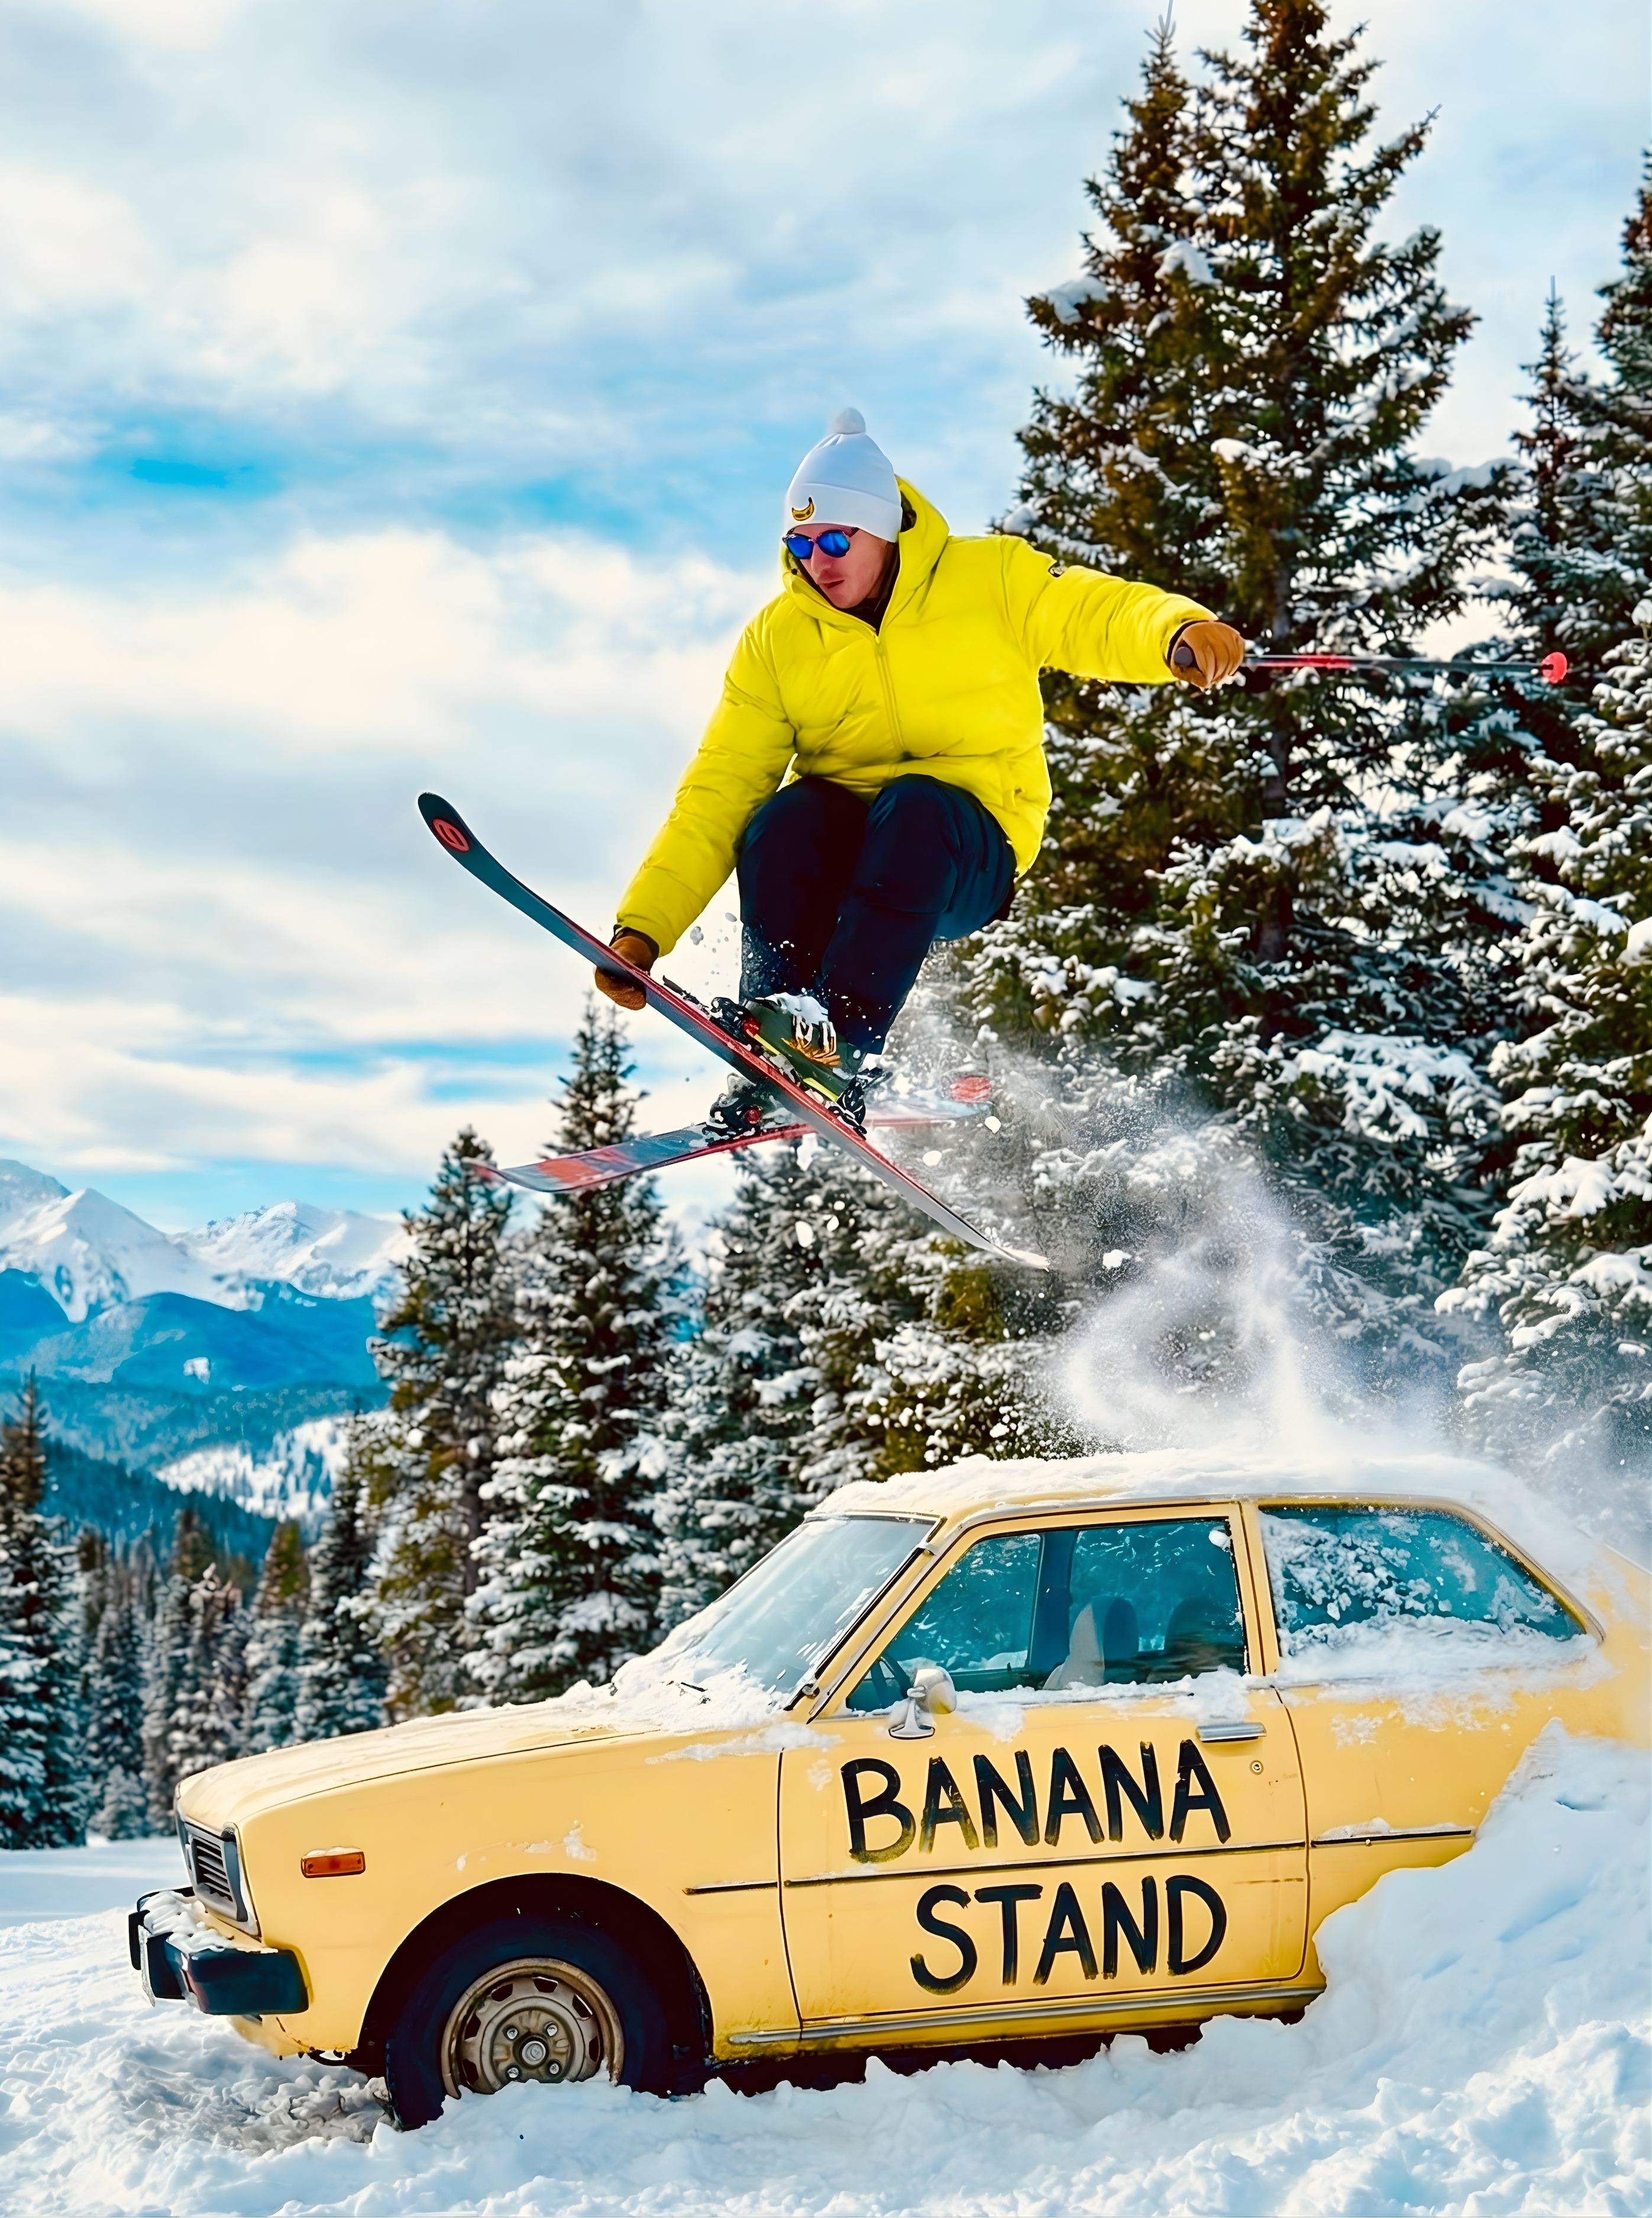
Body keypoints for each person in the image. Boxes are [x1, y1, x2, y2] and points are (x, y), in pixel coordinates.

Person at [594, 409, 1242, 1120]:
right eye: (801, 544)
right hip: (850, 850)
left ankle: (840, 1048)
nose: (819, 562)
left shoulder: (990, 579)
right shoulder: (778, 640)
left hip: (966, 850)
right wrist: (646, 926)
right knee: (785, 818)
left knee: (917, 805)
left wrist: (1175, 631)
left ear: (884, 527)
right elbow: (720, 788)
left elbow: (1090, 611)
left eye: (836, 539)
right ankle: (775, 1045)